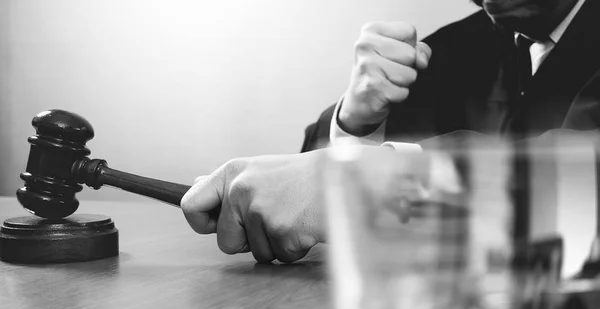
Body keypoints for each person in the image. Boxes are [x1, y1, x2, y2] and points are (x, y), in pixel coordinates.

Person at [182, 0, 600, 263]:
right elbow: (300, 185)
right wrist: (356, 121)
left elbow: (583, 179)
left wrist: (361, 186)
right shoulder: (455, 49)